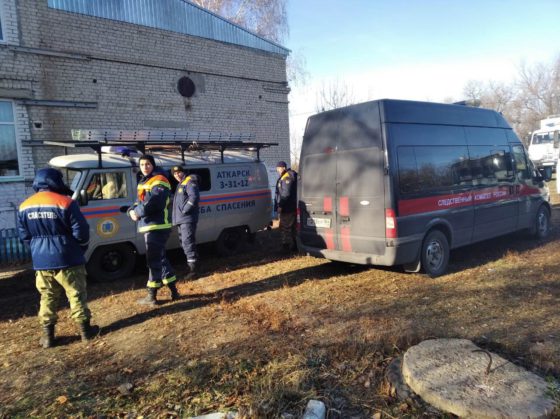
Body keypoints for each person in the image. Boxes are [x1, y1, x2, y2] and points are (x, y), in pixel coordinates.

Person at [17, 168, 99, 348]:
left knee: (47, 296)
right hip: (68, 258)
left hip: (41, 261)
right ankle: (86, 332)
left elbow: (24, 236)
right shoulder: (66, 202)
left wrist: (38, 250)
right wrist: (79, 249)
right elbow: (82, 232)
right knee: (76, 294)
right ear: (56, 182)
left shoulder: (24, 206)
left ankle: (48, 337)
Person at [128, 155, 179, 305]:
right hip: (150, 225)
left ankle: (152, 296)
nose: (145, 167)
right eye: (142, 164)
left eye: (148, 164)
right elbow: (139, 201)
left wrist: (137, 212)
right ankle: (174, 291)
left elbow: (155, 202)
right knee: (160, 258)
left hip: (157, 225)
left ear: (153, 165)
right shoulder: (145, 181)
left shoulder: (159, 180)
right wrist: (131, 210)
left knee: (154, 261)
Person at [171, 165, 200, 279]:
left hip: (186, 219)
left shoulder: (189, 182)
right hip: (181, 220)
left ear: (183, 172)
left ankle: (193, 271)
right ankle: (194, 266)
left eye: (179, 172)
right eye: (174, 173)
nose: (177, 175)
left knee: (188, 243)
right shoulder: (180, 184)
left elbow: (194, 197)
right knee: (184, 243)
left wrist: (185, 210)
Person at [274, 161, 298, 252]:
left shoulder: (287, 177)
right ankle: (294, 246)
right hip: (289, 207)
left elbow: (285, 193)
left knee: (285, 228)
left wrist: (280, 206)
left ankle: (286, 248)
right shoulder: (285, 176)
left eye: (278, 168)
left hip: (287, 208)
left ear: (283, 168)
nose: (277, 170)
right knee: (292, 227)